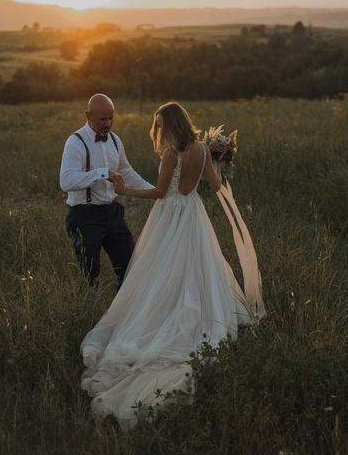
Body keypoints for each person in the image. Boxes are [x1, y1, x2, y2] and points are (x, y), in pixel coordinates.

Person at [80, 101, 255, 430]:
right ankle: (194, 310)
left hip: (170, 215)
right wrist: (219, 160)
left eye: (160, 124)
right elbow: (216, 186)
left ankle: (166, 317)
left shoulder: (171, 154)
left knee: (160, 272)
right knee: (195, 267)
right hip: (193, 215)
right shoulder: (203, 149)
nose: (157, 131)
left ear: (172, 125)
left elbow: (160, 192)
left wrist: (124, 189)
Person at [60, 94, 153, 288]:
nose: (108, 123)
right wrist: (102, 173)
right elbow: (66, 181)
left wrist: (154, 191)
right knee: (90, 275)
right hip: (84, 215)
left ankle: (125, 313)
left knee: (129, 268)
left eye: (111, 118)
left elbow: (126, 171)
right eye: (102, 119)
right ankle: (89, 312)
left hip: (113, 213)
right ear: (88, 115)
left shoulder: (115, 140)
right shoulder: (75, 142)